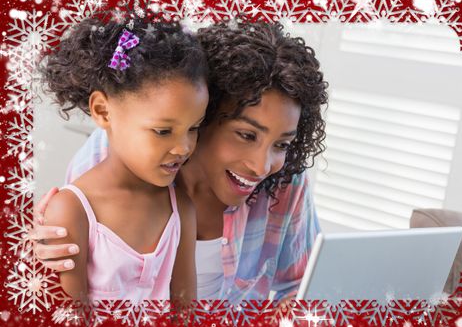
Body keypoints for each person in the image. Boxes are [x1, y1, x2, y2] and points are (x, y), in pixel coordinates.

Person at [33, 21, 328, 302]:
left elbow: (306, 283)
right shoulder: (110, 155)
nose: (262, 166)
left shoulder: (285, 183)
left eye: (282, 144)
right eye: (246, 135)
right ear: (208, 113)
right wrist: (42, 253)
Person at [38, 17, 209, 303]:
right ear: (103, 111)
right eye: (162, 131)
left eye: (193, 128)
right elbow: (68, 321)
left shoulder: (181, 209)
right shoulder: (71, 212)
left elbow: (185, 314)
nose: (183, 147)